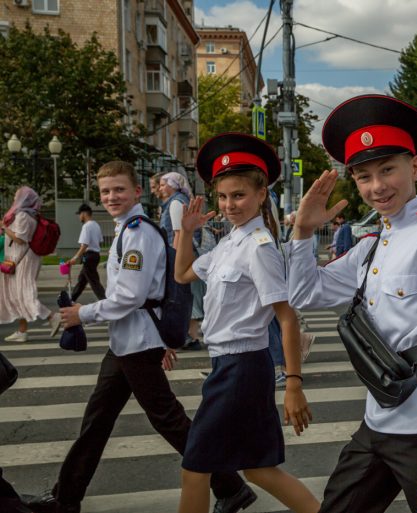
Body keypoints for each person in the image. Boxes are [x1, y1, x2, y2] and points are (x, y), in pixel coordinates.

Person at [288, 94, 417, 513]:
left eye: (387, 169)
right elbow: (304, 294)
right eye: (364, 176)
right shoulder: (372, 244)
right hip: (378, 422)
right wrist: (304, 233)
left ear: (414, 166)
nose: (377, 186)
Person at [25, 161, 253, 513]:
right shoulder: (124, 230)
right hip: (126, 343)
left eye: (119, 189)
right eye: (105, 191)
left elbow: (131, 297)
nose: (112, 196)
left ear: (136, 191)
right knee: (97, 421)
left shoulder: (138, 232)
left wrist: (81, 314)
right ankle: (65, 498)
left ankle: (230, 484)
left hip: (137, 345)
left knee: (168, 421)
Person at [174, 133, 318, 513]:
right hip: (229, 366)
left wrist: (293, 384)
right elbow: (184, 274)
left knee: (195, 467)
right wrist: (186, 232)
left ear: (260, 195)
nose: (229, 204)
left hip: (241, 368)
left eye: (238, 195)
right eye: (223, 197)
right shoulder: (230, 242)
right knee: (258, 469)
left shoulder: (259, 247)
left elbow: (286, 318)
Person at [0, 186, 59, 341]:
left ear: (23, 199)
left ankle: (52, 316)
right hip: (16, 258)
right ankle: (22, 331)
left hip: (23, 260)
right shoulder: (28, 215)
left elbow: (21, 239)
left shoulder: (23, 216)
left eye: (16, 196)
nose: (14, 198)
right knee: (15, 295)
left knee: (24, 294)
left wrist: (5, 228)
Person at [160, 172, 203, 351]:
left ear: (173, 185)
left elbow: (179, 233)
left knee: (184, 294)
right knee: (190, 294)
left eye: (163, 184)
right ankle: (191, 336)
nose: (161, 188)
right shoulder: (180, 200)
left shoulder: (176, 203)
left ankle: (190, 337)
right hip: (188, 254)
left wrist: (176, 259)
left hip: (182, 255)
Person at [67, 204, 106, 302]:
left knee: (94, 281)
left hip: (89, 256)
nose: (79, 217)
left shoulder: (86, 226)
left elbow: (84, 245)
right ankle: (72, 299)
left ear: (84, 213)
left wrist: (74, 258)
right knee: (82, 279)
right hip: (95, 255)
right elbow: (100, 241)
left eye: (79, 214)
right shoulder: (96, 225)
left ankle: (105, 301)